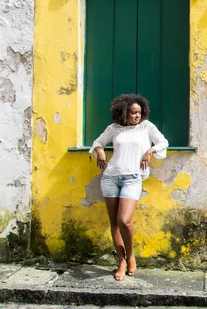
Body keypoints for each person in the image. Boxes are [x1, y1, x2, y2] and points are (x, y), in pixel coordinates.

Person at [89, 94, 168, 281]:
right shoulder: (114, 129)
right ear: (123, 113)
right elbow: (98, 142)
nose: (137, 116)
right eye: (133, 113)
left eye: (139, 113)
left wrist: (150, 151)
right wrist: (100, 151)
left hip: (133, 178)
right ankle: (121, 261)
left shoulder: (147, 127)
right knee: (114, 222)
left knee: (124, 220)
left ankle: (130, 255)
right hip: (110, 177)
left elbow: (163, 142)